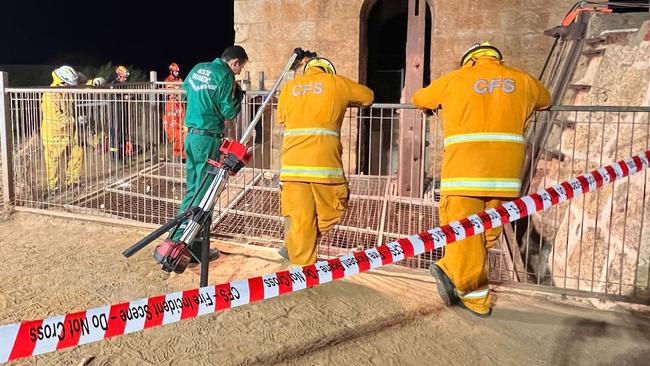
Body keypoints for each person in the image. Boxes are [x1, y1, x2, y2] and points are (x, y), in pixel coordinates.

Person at [412, 41, 551, 317]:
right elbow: (545, 100)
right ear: (496, 58)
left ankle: (474, 296)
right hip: (505, 177)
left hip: (464, 174)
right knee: (485, 233)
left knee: (462, 233)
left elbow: (420, 98)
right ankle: (452, 270)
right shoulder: (522, 80)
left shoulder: (454, 80)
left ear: (469, 60)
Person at [276, 56, 374, 266]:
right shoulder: (336, 82)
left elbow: (281, 117)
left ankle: (297, 251)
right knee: (335, 206)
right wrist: (346, 100)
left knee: (302, 220)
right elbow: (368, 97)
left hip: (292, 166)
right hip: (324, 167)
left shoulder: (289, 87)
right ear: (328, 69)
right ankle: (299, 252)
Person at [166, 45, 248, 263]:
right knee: (204, 192)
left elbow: (185, 94)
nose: (239, 72)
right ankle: (184, 244)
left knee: (193, 187)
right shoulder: (225, 76)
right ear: (234, 62)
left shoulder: (197, 69)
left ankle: (184, 242)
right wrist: (238, 96)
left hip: (191, 136)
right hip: (208, 137)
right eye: (240, 67)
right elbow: (229, 112)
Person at [41, 65, 84, 194]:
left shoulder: (65, 90)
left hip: (69, 131)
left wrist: (94, 82)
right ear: (62, 83)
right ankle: (52, 188)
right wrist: (75, 120)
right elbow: (58, 117)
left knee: (77, 153)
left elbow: (82, 82)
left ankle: (73, 181)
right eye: (70, 86)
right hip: (53, 133)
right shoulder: (50, 96)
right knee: (52, 162)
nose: (73, 89)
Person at [108, 65, 132, 161]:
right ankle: (114, 156)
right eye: (124, 77)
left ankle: (120, 155)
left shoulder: (122, 84)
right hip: (115, 113)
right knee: (115, 135)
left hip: (121, 112)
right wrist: (124, 97)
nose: (125, 79)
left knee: (121, 134)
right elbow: (115, 96)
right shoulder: (113, 84)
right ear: (118, 76)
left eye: (126, 77)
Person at [162, 62, 186, 159]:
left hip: (180, 105)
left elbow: (183, 89)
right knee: (173, 130)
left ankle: (181, 152)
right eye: (175, 72)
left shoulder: (180, 79)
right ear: (171, 71)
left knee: (182, 128)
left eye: (177, 72)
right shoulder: (167, 80)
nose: (177, 73)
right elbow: (171, 92)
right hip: (172, 106)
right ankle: (177, 153)